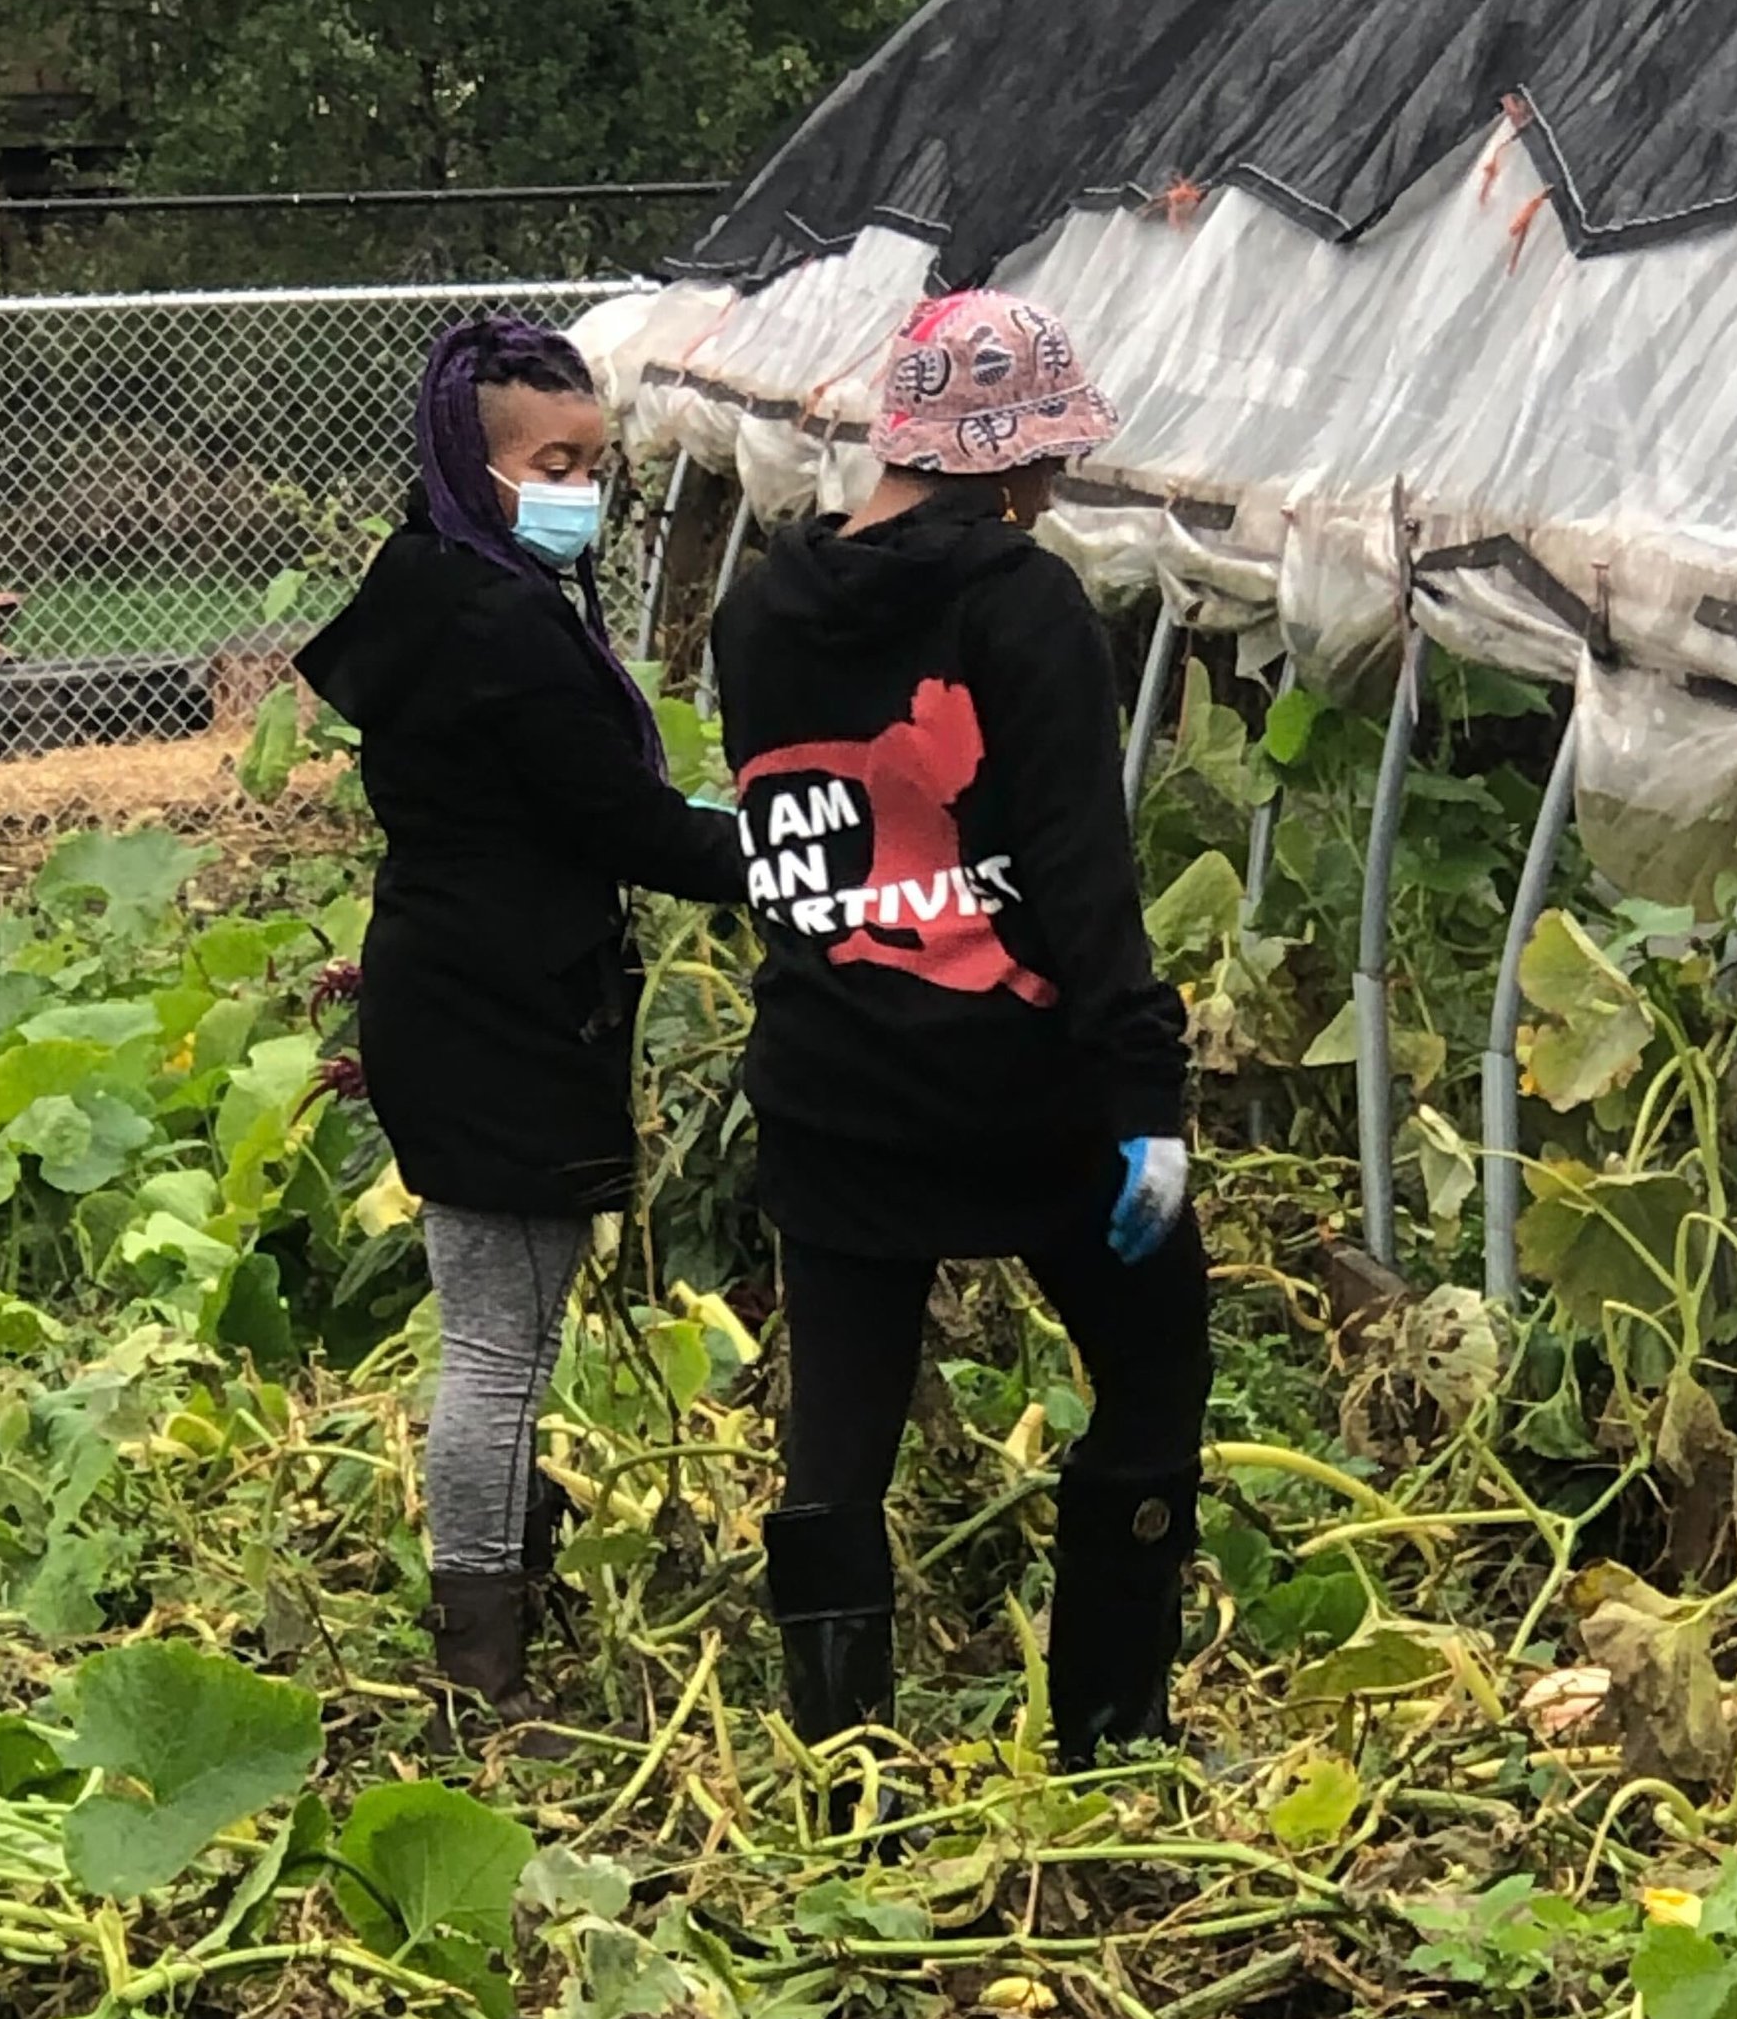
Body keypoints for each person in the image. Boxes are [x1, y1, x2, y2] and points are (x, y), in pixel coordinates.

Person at [709, 288, 1210, 1771]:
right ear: (1004, 457)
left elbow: (790, 841)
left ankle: (846, 1776)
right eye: (1044, 461)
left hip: (833, 1085)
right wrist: (1145, 1092)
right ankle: (1112, 1740)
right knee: (1155, 1368)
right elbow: (1078, 869)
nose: (1049, 490)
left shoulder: (758, 607)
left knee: (838, 1434)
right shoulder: (1020, 601)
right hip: (1025, 1088)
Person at [299, 315, 742, 1733]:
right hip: (502, 1011)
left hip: (452, 985)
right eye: (551, 461)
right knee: (497, 1344)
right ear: (471, 462)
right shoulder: (500, 626)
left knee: (499, 1327)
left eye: (594, 463)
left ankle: (501, 1584)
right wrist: (794, 863)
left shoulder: (425, 588)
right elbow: (619, 823)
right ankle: (477, 1663)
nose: (581, 490)